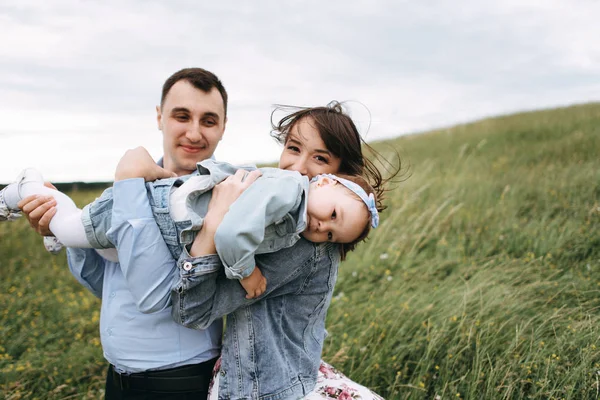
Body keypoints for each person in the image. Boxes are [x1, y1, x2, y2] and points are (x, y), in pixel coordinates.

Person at [108, 102, 395, 398]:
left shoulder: (302, 244)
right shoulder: (283, 215)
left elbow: (192, 311)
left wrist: (212, 224)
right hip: (280, 373)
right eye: (294, 148)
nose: (297, 168)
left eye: (320, 158)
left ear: (337, 175)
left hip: (261, 387)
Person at [14, 67, 261, 399]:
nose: (193, 132)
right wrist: (63, 232)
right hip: (116, 377)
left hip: (181, 380)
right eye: (182, 116)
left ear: (223, 128)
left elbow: (155, 295)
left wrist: (127, 181)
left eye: (208, 120)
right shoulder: (129, 188)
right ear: (160, 117)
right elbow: (108, 286)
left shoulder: (226, 197)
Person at [1, 158, 380, 298]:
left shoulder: (292, 216)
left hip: (163, 228)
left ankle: (48, 210)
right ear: (324, 182)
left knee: (93, 241)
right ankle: (24, 186)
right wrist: (246, 274)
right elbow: (231, 235)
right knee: (68, 229)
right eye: (332, 214)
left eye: (331, 235)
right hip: (159, 213)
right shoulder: (288, 190)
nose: (321, 226)